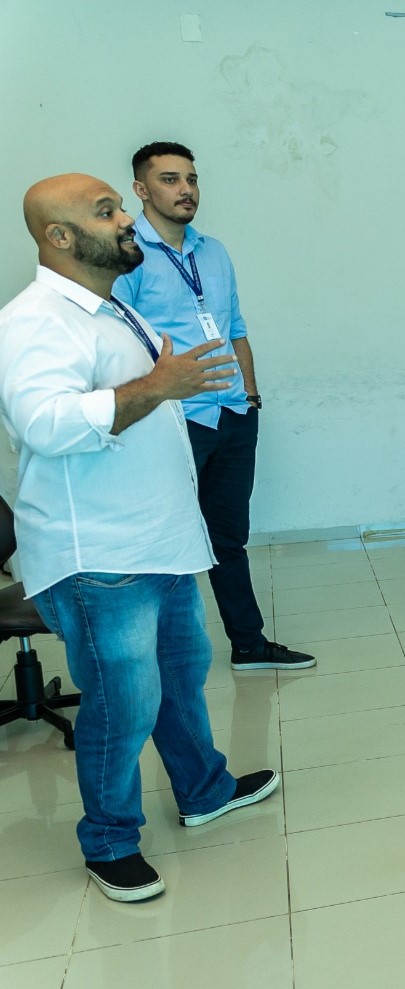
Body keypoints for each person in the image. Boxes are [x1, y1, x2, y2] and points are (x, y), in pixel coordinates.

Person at [0, 174, 281, 902]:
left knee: (181, 677)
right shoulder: (34, 321)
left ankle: (203, 788)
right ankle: (109, 840)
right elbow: (47, 424)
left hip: (158, 540)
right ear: (59, 238)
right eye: (108, 211)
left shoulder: (112, 306)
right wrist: (162, 384)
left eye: (119, 208)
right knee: (122, 704)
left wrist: (169, 381)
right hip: (99, 554)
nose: (128, 220)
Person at [113, 142, 313, 672]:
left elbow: (236, 330)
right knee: (163, 541)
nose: (186, 190)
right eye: (171, 180)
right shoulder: (129, 255)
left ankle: (248, 644)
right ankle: (149, 658)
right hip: (175, 419)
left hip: (231, 414)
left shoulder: (214, 251)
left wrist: (250, 396)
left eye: (192, 180)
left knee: (228, 537)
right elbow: (118, 345)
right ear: (141, 189)